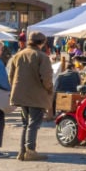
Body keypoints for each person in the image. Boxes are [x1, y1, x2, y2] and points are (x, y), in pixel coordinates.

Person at [8, 31, 53, 161]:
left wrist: (16, 89)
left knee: (25, 124)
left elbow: (11, 76)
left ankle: (22, 152)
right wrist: (49, 89)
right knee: (33, 124)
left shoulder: (18, 55)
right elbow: (46, 78)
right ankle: (30, 151)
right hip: (36, 95)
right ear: (42, 42)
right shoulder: (42, 56)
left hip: (20, 95)